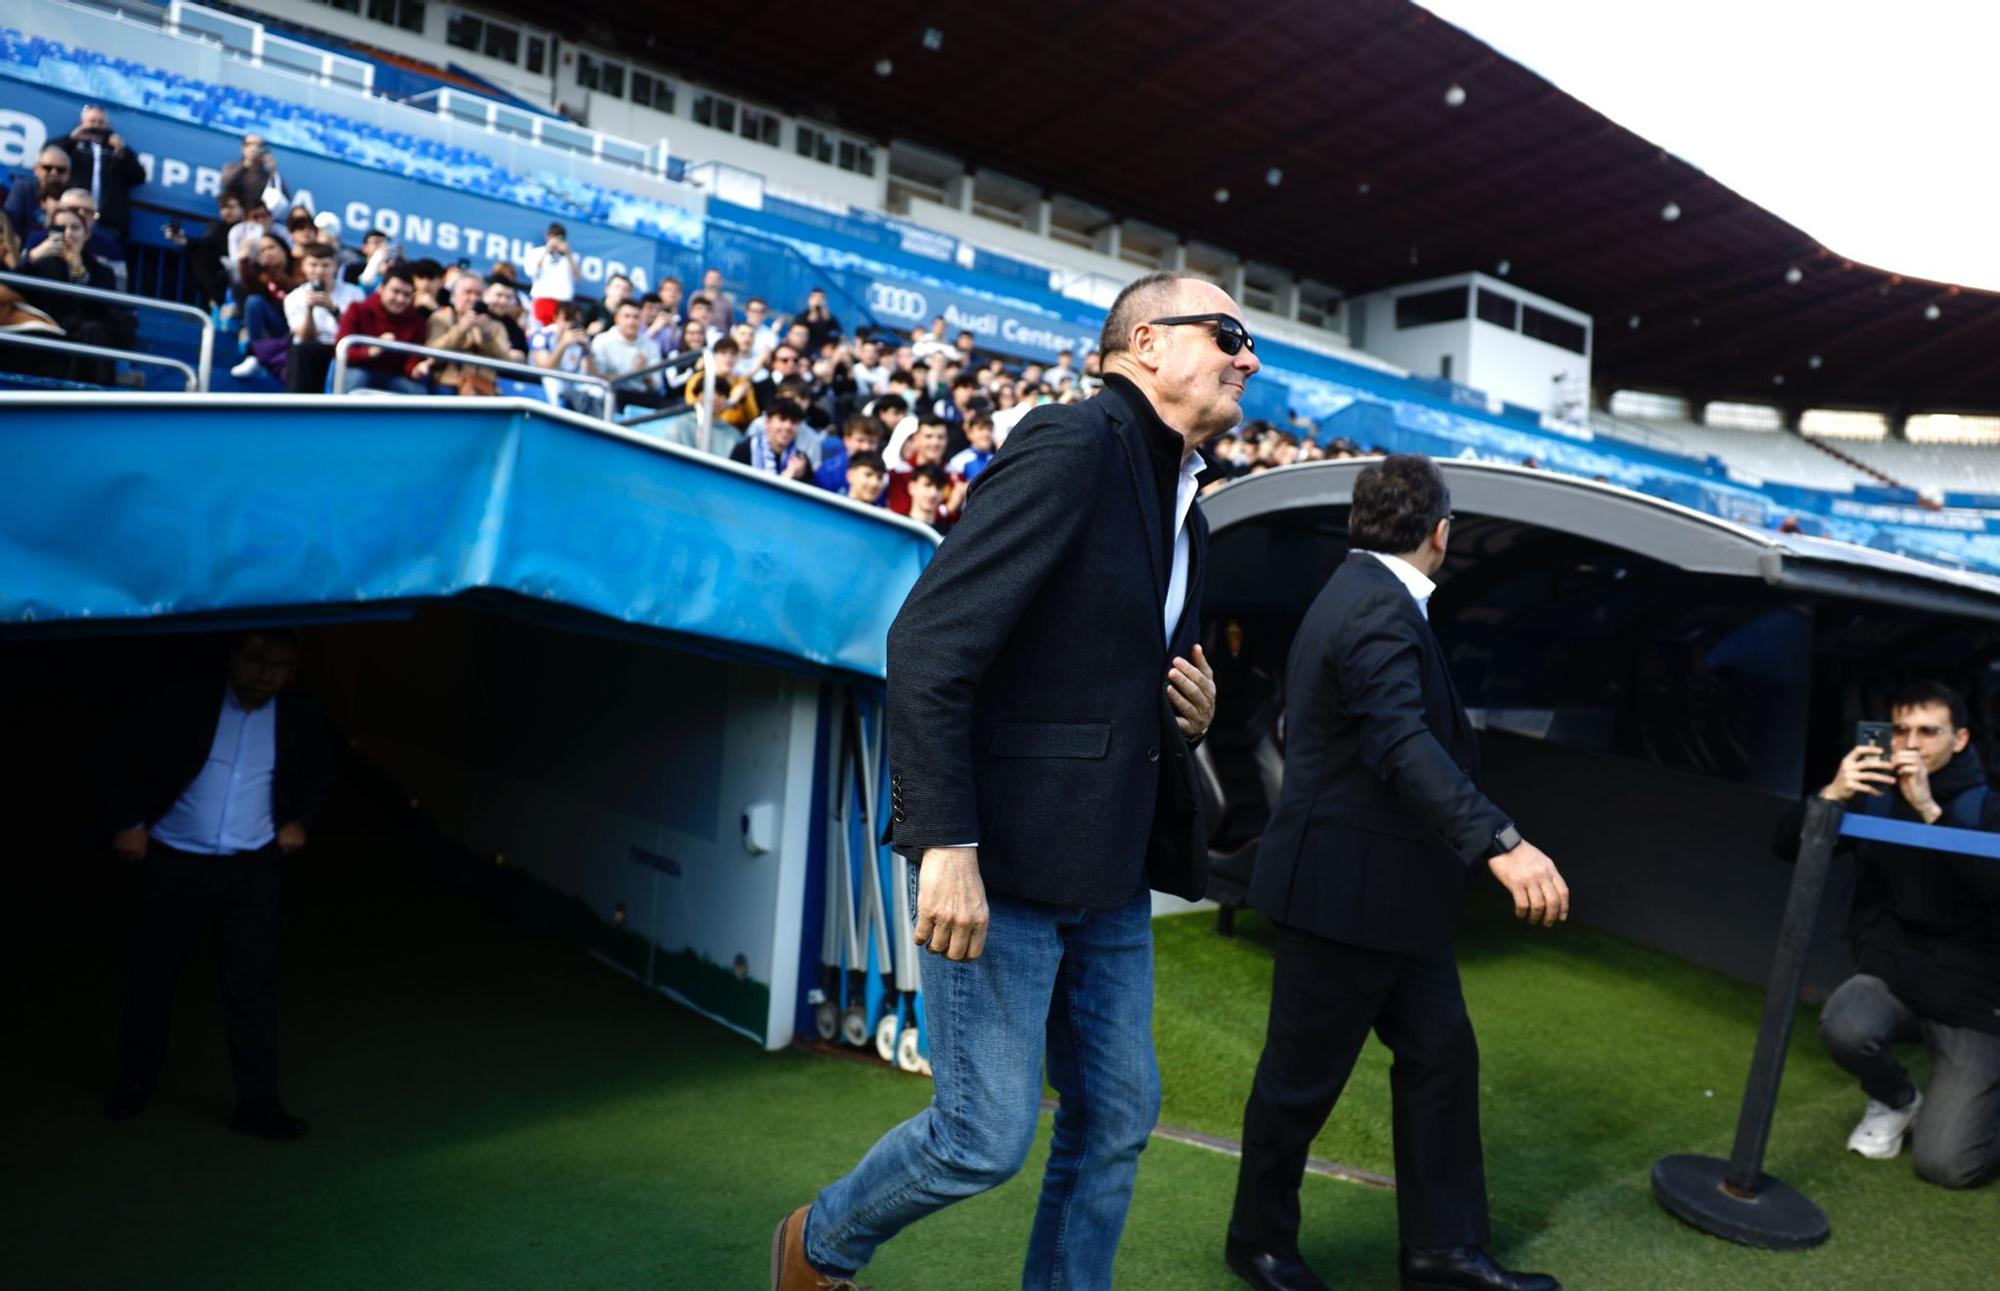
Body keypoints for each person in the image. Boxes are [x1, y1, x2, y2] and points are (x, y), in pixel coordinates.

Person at [771, 270, 1247, 1290]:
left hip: (1109, 873)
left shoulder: (1188, 511)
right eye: (1226, 331)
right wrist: (945, 843)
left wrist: (1191, 714)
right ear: (1145, 344)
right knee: (980, 1138)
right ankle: (818, 1245)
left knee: (1116, 1117)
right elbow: (930, 641)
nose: (1245, 357)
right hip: (1000, 865)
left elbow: (1108, 674)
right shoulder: (1074, 442)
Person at [1229, 453, 1567, 1291]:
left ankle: (1441, 1252)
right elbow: (1401, 741)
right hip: (1342, 895)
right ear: (1441, 533)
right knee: (1298, 1083)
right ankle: (1259, 1243)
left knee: (1442, 1060)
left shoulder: (1358, 594)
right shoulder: (1375, 607)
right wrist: (1501, 840)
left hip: (1390, 900)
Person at [100, 631, 336, 1140]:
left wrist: (302, 821)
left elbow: (323, 767)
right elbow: (116, 755)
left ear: (293, 670)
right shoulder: (180, 704)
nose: (265, 672)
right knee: (152, 979)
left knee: (252, 988)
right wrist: (127, 821)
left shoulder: (299, 714)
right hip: (171, 860)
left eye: (280, 663)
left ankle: (257, 1106)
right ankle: (134, 1085)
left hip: (250, 867)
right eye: (256, 659)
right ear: (232, 657)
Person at [1774, 681, 2000, 1190]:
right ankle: (1898, 1099)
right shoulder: (1872, 794)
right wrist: (1832, 794)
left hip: (1976, 996)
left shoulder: (1988, 806)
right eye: (1901, 730)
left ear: (1959, 739)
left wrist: (1929, 811)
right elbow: (1787, 847)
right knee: (1847, 1023)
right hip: (1899, 974)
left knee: (1947, 1165)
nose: (1911, 744)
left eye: (1928, 731)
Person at [22, 203, 129, 384]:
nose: (68, 233)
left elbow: (98, 308)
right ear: (50, 233)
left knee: (95, 331)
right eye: (61, 228)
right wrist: (33, 256)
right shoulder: (38, 261)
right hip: (43, 327)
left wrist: (77, 267)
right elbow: (13, 285)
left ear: (86, 235)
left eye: (75, 228)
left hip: (84, 332)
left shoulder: (101, 270)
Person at [334, 267, 433, 394]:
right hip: (358, 369)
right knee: (356, 379)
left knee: (416, 391)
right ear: (381, 289)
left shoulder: (417, 322)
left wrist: (416, 370)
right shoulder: (357, 310)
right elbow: (341, 351)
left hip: (394, 376)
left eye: (406, 295)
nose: (400, 299)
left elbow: (411, 360)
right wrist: (370, 352)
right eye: (395, 291)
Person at [58, 104, 147, 244]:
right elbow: (49, 156)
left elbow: (139, 177)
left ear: (108, 125)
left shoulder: (118, 149)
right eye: (92, 121)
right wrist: (71, 139)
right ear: (82, 123)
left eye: (100, 122)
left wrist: (123, 150)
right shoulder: (73, 145)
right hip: (71, 219)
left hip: (107, 223)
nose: (96, 126)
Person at [427, 272, 518, 395]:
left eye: (478, 294)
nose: (473, 298)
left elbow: (506, 363)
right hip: (449, 385)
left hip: (483, 389)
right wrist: (461, 329)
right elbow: (432, 353)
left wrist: (486, 334)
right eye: (468, 292)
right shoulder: (441, 317)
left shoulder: (495, 326)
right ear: (454, 296)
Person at [227, 235, 299, 381]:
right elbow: (251, 287)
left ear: (284, 249)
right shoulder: (264, 274)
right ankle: (255, 355)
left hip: (300, 328)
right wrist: (245, 260)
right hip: (279, 326)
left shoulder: (299, 267)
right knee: (254, 301)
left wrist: (275, 272)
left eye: (271, 247)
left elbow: (295, 288)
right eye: (262, 251)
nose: (267, 253)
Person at [590, 299, 664, 407]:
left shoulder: (651, 346)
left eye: (636, 317)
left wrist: (644, 373)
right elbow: (597, 377)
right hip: (611, 395)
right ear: (617, 318)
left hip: (641, 398)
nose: (631, 322)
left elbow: (656, 386)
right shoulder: (601, 341)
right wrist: (631, 375)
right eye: (627, 316)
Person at [729, 397, 812, 479]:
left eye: (794, 422)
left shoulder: (801, 462)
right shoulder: (744, 449)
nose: (788, 426)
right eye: (782, 419)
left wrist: (798, 475)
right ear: (767, 422)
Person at [4, 145, 71, 240]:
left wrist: (54, 217)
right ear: (36, 169)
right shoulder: (24, 189)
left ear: (68, 174)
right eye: (47, 168)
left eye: (61, 170)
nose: (54, 173)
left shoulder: (73, 197)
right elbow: (9, 225)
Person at [523, 222, 579, 327]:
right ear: (547, 236)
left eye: (559, 238)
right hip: (543, 299)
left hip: (564, 302)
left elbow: (578, 276)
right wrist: (546, 251)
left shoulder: (570, 257)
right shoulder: (536, 252)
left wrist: (568, 254)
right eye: (552, 236)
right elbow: (531, 271)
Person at [816, 414, 884, 493]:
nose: (866, 447)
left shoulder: (880, 477)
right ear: (847, 440)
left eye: (871, 442)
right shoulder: (829, 470)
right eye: (860, 440)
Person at [219, 134, 282, 213]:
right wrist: (246, 163)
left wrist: (273, 171)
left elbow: (280, 199)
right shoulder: (230, 167)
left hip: (256, 218)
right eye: (249, 144)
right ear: (243, 148)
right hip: (233, 217)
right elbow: (227, 184)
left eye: (258, 145)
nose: (254, 148)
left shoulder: (267, 175)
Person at [947, 410, 998, 482]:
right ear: (969, 434)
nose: (986, 434)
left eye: (989, 429)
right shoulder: (958, 461)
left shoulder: (997, 460)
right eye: (980, 429)